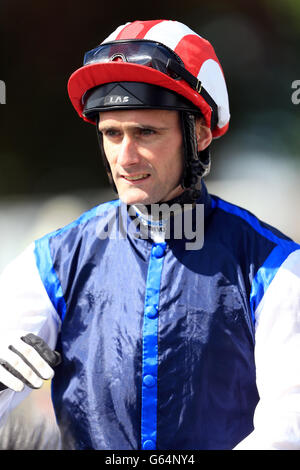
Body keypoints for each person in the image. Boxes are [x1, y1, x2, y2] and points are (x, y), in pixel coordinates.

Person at [0, 19, 300, 451]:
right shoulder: (50, 261)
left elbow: (289, 427)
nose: (125, 157)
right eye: (112, 133)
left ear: (197, 134)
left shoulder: (275, 267)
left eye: (146, 133)